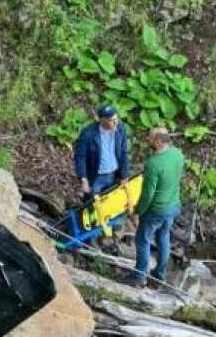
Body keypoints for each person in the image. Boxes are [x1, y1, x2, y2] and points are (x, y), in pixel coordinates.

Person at [121, 127, 185, 287]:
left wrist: (136, 212)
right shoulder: (177, 153)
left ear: (158, 141)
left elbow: (148, 195)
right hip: (173, 205)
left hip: (156, 210)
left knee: (142, 240)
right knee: (163, 236)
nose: (147, 140)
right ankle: (159, 274)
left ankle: (139, 276)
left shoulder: (153, 164)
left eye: (149, 138)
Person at [73, 105, 130, 201]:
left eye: (116, 118)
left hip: (114, 175)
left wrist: (124, 175)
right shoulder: (88, 134)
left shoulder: (120, 129)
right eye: (111, 120)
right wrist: (83, 178)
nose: (116, 122)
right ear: (102, 120)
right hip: (96, 177)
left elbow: (123, 153)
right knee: (92, 205)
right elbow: (80, 157)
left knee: (112, 204)